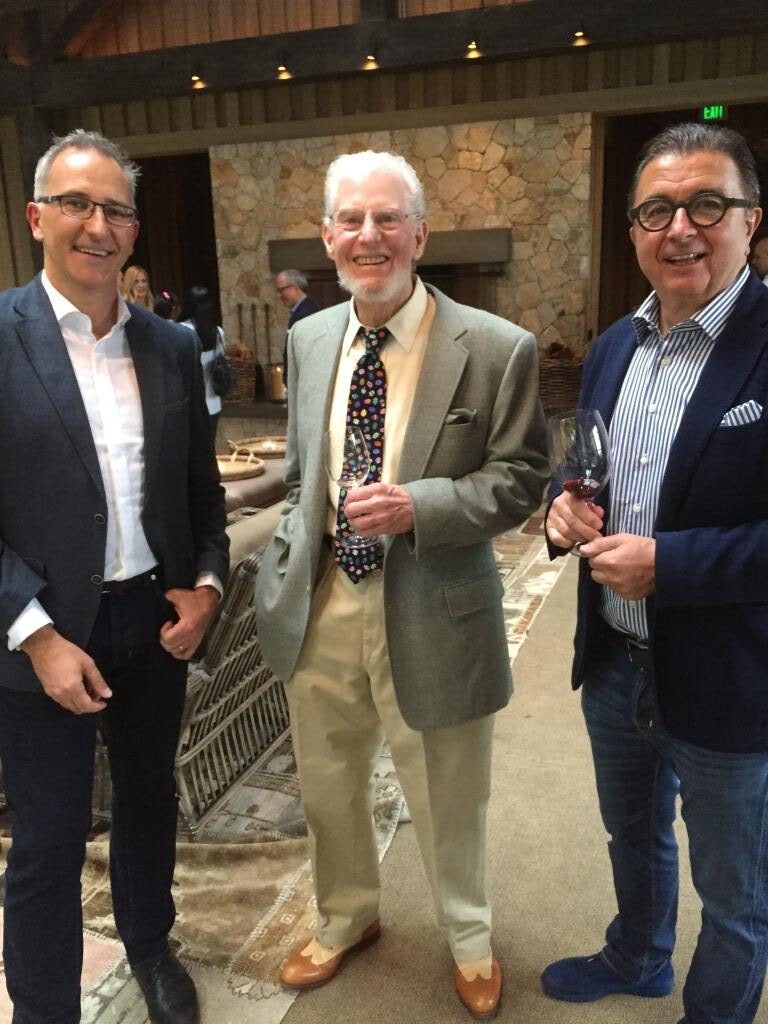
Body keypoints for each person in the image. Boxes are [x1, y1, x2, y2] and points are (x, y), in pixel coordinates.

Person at [254, 150, 548, 1020]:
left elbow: (523, 478)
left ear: (420, 234)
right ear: (327, 237)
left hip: (434, 603)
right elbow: (302, 473)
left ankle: (469, 937)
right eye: (351, 219)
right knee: (327, 784)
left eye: (388, 218)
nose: (369, 236)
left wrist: (421, 505)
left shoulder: (494, 347)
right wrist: (286, 564)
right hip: (323, 603)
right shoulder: (310, 338)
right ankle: (346, 917)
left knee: (449, 790)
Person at [0, 128, 228, 1024]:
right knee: (48, 840)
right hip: (43, 636)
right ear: (37, 217)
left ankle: (150, 947)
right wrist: (36, 636)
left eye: (116, 211)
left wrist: (207, 587)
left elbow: (200, 492)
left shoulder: (170, 345)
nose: (97, 226)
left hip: (152, 621)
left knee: (148, 802)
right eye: (76, 205)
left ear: (134, 230)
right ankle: (45, 1011)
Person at [542, 123, 768, 1024]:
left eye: (707, 204)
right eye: (656, 210)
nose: (680, 227)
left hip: (731, 675)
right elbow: (585, 468)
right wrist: (561, 509)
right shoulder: (614, 347)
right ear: (633, 229)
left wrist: (671, 565)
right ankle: (637, 956)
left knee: (736, 889)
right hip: (615, 662)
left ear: (751, 220)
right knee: (630, 834)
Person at [179, 285, 227, 442]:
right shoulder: (218, 332)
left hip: (190, 405)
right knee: (209, 448)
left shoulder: (182, 331)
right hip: (213, 403)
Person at [276, 268, 319, 384]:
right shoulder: (301, 310)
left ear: (295, 288)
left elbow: (305, 352)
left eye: (281, 290)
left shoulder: (306, 313)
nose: (279, 295)